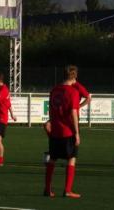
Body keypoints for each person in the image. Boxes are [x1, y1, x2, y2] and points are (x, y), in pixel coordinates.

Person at [44, 65, 81, 198]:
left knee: (52, 159)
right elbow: (73, 113)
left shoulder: (54, 90)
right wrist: (77, 133)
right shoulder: (73, 92)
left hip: (55, 131)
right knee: (71, 159)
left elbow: (50, 110)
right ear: (75, 76)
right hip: (67, 131)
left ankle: (47, 189)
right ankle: (67, 190)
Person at [43, 71, 90, 136]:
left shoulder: (77, 86)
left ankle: (73, 140)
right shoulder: (62, 86)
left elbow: (88, 98)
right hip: (61, 112)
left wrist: (78, 106)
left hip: (71, 115)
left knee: (70, 134)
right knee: (47, 125)